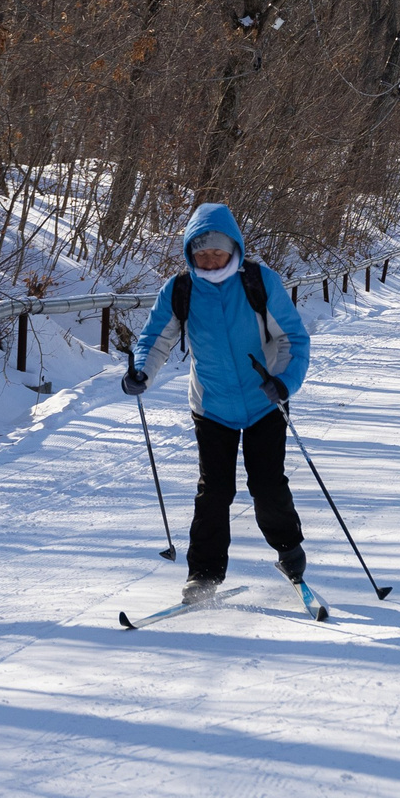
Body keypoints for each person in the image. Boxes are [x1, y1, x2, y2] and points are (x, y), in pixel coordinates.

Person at [123, 204, 313, 603]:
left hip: (265, 399)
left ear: (235, 249)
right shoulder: (181, 289)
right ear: (190, 252)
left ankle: (291, 555)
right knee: (214, 491)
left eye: (217, 252)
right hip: (212, 406)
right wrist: (141, 371)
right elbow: (155, 339)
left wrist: (283, 382)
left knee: (267, 485)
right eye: (201, 253)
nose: (209, 260)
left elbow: (293, 339)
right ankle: (204, 575)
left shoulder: (259, 282)